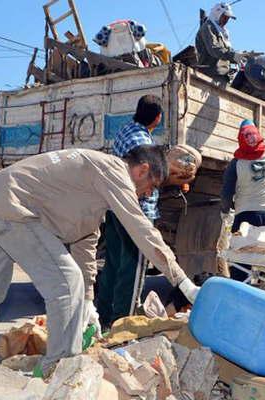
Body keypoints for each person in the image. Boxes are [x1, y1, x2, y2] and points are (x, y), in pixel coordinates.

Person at [0, 145, 200, 386]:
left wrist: (89, 301)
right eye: (151, 186)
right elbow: (142, 229)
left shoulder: (93, 186)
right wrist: (182, 281)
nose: (148, 194)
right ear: (142, 170)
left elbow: (85, 245)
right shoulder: (113, 169)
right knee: (66, 283)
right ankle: (59, 374)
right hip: (13, 206)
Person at [96, 95, 200, 329]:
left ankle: (103, 317)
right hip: (137, 212)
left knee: (112, 265)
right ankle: (123, 323)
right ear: (158, 118)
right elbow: (146, 179)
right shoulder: (144, 141)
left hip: (114, 208)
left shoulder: (124, 132)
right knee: (131, 270)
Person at [220, 104, 265, 279]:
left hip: (244, 218)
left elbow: (227, 192)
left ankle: (241, 295)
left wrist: (225, 212)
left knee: (240, 263)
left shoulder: (236, 164)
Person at [195, 2, 244, 81]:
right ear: (217, 14)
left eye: (228, 18)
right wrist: (233, 55)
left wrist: (241, 55)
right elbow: (214, 49)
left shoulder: (222, 32)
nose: (226, 20)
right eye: (224, 17)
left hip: (222, 76)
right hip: (210, 75)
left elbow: (227, 52)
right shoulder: (208, 27)